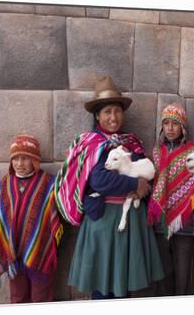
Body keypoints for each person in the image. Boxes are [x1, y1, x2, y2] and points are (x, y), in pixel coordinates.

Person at [55, 76, 164, 299]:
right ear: (97, 115)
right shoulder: (91, 144)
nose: (113, 117)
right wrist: (135, 183)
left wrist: (144, 186)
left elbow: (145, 169)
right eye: (107, 112)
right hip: (103, 221)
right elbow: (99, 181)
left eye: (116, 111)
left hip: (129, 221)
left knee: (123, 283)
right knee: (103, 284)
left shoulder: (130, 143)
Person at [0, 134, 63, 303]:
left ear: (35, 160)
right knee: (18, 300)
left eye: (25, 158)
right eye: (15, 159)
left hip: (40, 253)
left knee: (41, 300)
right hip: (14, 257)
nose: (19, 164)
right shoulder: (5, 185)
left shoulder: (49, 184)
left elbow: (60, 213)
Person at [146, 103, 194, 296]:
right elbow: (151, 182)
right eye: (166, 123)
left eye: (175, 123)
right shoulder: (156, 153)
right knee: (163, 272)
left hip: (185, 222)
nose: (170, 128)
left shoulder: (193, 152)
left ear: (183, 127)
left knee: (183, 273)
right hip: (159, 222)